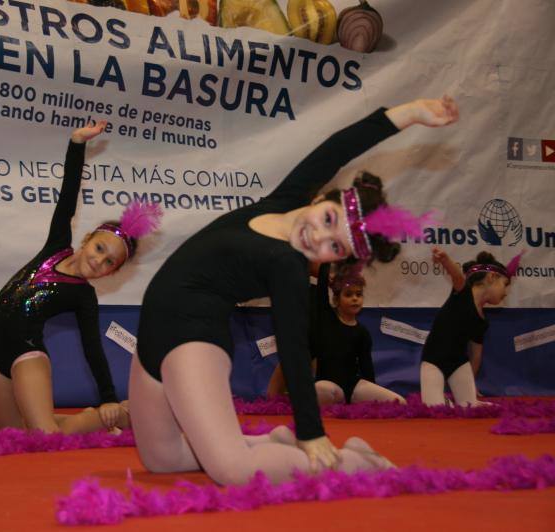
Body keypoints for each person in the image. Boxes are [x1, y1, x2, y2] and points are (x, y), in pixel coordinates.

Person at [130, 97, 458, 485]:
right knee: (163, 461)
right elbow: (337, 148)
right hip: (150, 336)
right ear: (320, 199)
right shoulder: (285, 201)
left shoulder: (287, 265)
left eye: (334, 248)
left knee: (233, 471)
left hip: (193, 341)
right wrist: (408, 114)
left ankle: (355, 463)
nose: (319, 237)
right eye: (327, 220)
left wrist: (311, 431)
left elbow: (294, 348)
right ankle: (274, 444)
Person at [0, 121, 161, 433]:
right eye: (99, 248)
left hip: (27, 354)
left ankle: (114, 414)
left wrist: (107, 397)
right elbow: (68, 195)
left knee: (44, 438)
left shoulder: (83, 296)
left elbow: (93, 348)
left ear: (112, 271)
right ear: (87, 239)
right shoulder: (56, 245)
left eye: (109, 261)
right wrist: (77, 143)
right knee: (9, 433)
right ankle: (95, 418)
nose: (98, 259)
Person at [268, 262, 406, 405]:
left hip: (353, 386)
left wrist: (371, 396)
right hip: (328, 385)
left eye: (358, 294)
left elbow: (367, 367)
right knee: (320, 389)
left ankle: (347, 402)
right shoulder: (327, 319)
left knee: (399, 402)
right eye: (348, 295)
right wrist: (327, 262)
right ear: (337, 299)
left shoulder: (363, 332)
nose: (354, 298)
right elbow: (322, 289)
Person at [420, 248, 520, 406]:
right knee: (433, 408)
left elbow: (476, 355)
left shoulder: (482, 321)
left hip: (459, 363)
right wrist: (445, 259)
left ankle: (486, 405)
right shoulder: (463, 293)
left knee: (470, 405)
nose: (506, 292)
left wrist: (470, 385)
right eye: (505, 284)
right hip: (433, 360)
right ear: (491, 277)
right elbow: (457, 276)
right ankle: (445, 401)